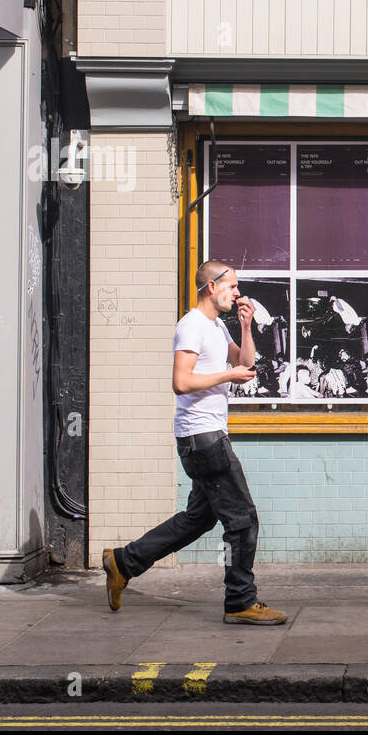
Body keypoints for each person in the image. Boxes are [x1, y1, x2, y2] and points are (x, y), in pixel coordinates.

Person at [101, 260, 287, 625]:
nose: (237, 293)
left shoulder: (217, 327)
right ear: (210, 287)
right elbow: (181, 382)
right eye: (231, 286)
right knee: (243, 521)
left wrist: (246, 328)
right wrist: (228, 374)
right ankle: (239, 601)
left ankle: (123, 562)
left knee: (197, 519)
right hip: (202, 438)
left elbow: (245, 366)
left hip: (207, 435)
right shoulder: (191, 326)